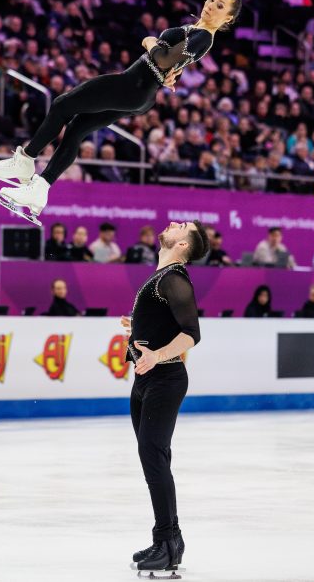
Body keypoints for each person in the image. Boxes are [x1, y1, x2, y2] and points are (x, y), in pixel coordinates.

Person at [0, 0, 242, 223]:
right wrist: (172, 73)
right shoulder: (196, 30)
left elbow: (163, 59)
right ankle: (40, 190)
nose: (210, 6)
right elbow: (173, 64)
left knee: (62, 104)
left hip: (133, 86)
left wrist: (149, 41)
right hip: (141, 93)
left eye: (220, 6)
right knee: (76, 129)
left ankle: (25, 159)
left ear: (228, 19)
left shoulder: (204, 36)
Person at [120, 220, 208, 575]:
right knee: (154, 459)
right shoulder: (161, 277)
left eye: (182, 226)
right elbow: (166, 324)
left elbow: (191, 333)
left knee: (153, 457)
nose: (173, 224)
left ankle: (166, 542)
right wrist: (137, 326)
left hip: (165, 378)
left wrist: (157, 355)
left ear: (183, 245)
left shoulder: (174, 278)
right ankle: (170, 540)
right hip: (147, 380)